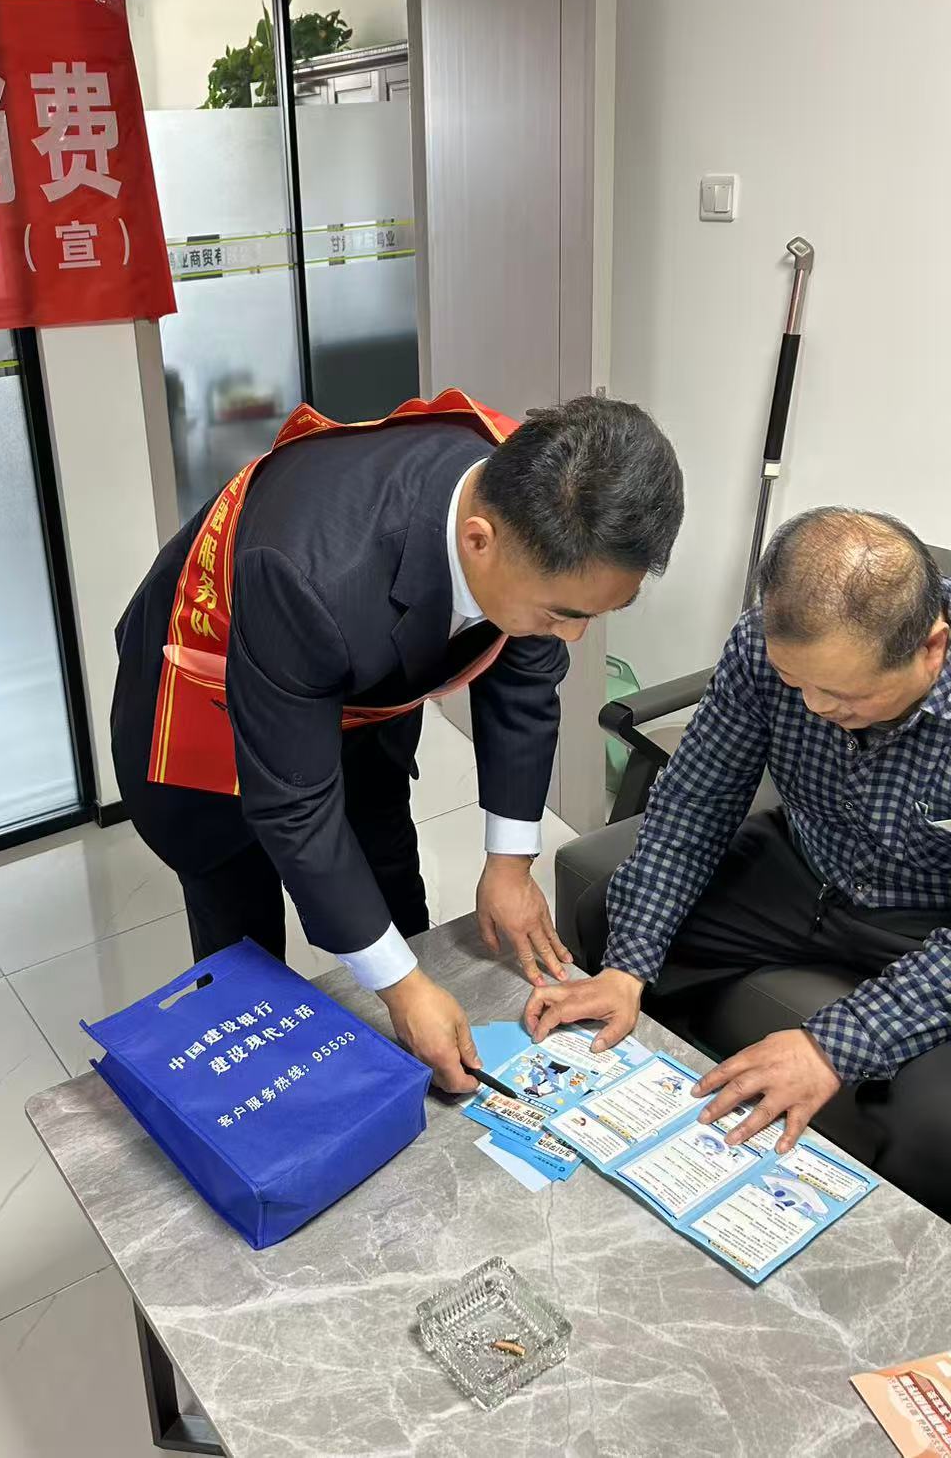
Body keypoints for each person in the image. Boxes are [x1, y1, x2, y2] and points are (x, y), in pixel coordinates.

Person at [113, 391, 684, 1095]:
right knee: (242, 937)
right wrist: (400, 988)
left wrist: (508, 866)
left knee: (385, 859)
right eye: (563, 614)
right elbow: (294, 807)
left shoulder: (540, 502)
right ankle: (258, 1096)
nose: (574, 635)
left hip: (359, 698)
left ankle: (420, 1020)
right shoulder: (311, 572)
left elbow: (524, 679)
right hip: (205, 708)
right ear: (479, 540)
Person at [527, 508, 951, 1217]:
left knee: (937, 1129)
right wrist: (627, 967)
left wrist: (831, 1046)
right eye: (797, 683)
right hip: (805, 867)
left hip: (927, 924)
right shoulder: (760, 642)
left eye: (847, 694)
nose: (816, 707)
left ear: (932, 647)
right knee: (611, 919)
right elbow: (698, 799)